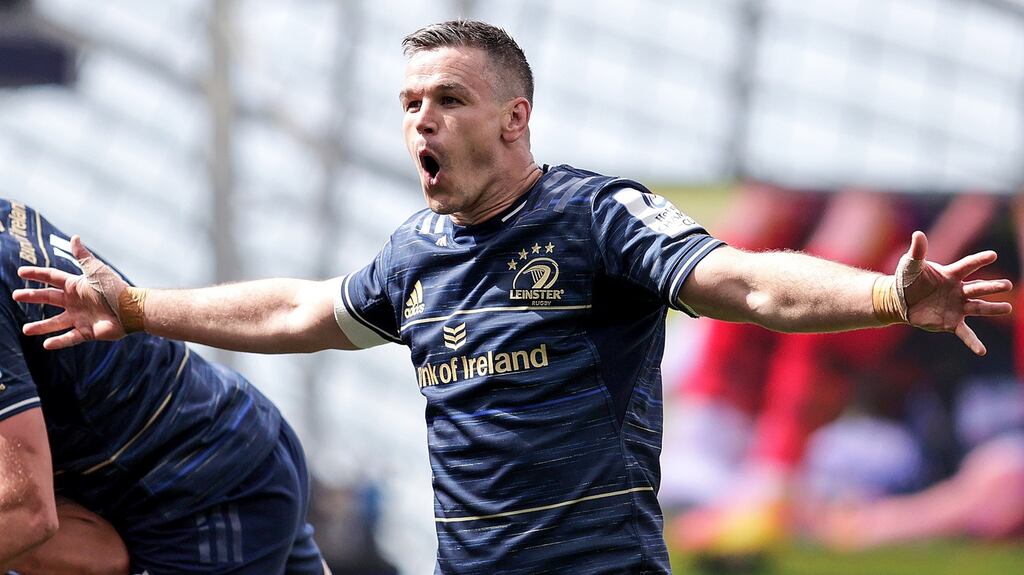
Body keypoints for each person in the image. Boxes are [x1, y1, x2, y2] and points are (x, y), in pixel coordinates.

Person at [13, 20, 1013, 574]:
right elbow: (302, 310)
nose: (421, 122)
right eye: (408, 104)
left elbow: (743, 279)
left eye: (446, 99)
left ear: (513, 117)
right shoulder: (416, 252)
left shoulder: (598, 217)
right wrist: (139, 308)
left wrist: (885, 294)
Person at [0, 199, 328, 574]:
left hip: (199, 502)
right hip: (232, 441)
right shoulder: (7, 217)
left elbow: (26, 515)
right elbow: (95, 552)